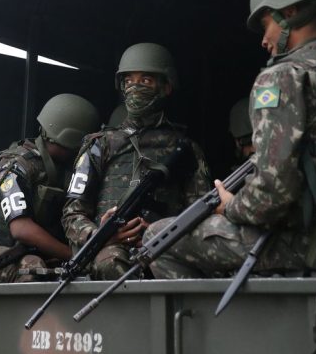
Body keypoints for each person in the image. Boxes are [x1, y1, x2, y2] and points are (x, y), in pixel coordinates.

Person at [143, 0, 316, 278]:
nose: (264, 39)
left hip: (304, 240)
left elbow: (273, 193)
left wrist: (230, 205)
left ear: (291, 11)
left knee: (158, 238)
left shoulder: (283, 77)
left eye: (267, 24)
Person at [62, 43, 211, 280]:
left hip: (167, 247)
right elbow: (72, 213)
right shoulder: (100, 145)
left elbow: (201, 212)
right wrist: (100, 235)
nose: (135, 87)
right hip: (109, 252)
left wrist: (160, 232)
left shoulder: (185, 149)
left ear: (166, 87)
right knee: (110, 262)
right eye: (129, 81)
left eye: (146, 80)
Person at [0, 93, 101, 283]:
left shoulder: (62, 169)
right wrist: (72, 256)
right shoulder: (15, 164)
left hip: (22, 251)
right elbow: (21, 229)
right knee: (32, 266)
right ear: (71, 139)